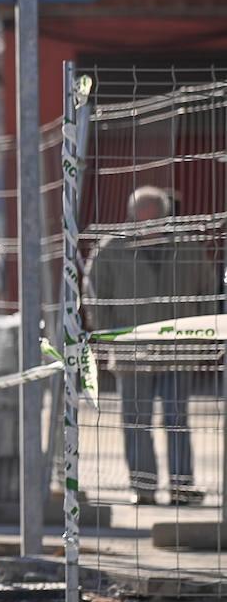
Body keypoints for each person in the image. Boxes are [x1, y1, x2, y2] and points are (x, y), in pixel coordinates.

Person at [84, 185, 219, 505]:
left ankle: (181, 487)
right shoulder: (110, 250)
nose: (147, 227)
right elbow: (94, 296)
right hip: (131, 354)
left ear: (165, 217)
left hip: (177, 353)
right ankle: (143, 489)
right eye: (139, 220)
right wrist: (110, 336)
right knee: (135, 423)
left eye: (153, 219)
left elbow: (208, 294)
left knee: (177, 421)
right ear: (129, 218)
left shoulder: (187, 249)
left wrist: (200, 339)